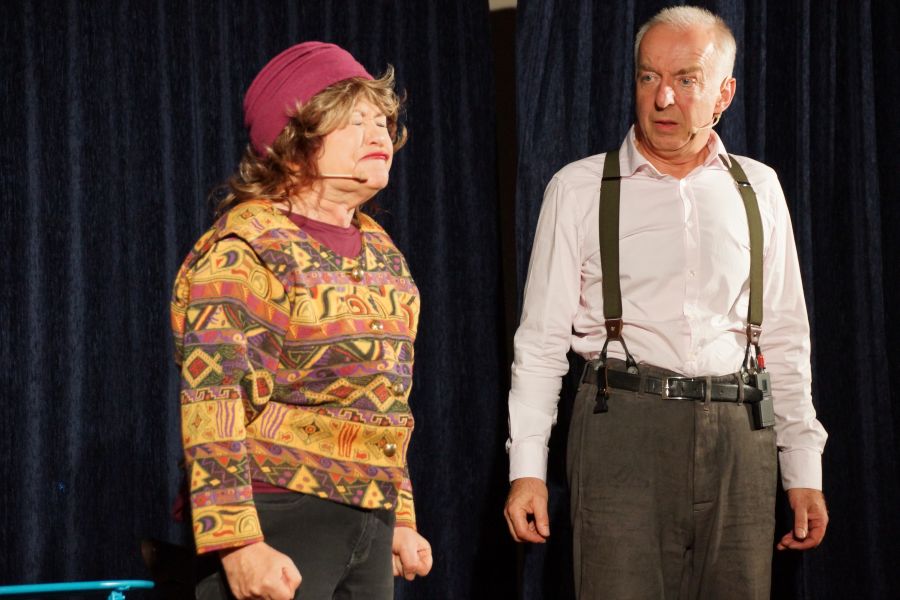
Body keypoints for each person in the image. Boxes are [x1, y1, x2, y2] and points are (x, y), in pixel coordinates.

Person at [504, 6, 828, 598]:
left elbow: (786, 338)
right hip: (622, 428)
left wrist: (803, 470)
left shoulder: (758, 187)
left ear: (724, 93)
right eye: (649, 77)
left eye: (686, 79)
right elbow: (541, 341)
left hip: (739, 434)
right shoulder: (579, 188)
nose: (663, 98)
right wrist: (527, 470)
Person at [171, 42, 432, 600]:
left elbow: (384, 399)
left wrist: (401, 515)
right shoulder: (246, 249)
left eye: (381, 121)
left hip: (369, 517)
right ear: (293, 147)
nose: (378, 134)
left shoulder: (382, 252)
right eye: (353, 121)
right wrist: (238, 544)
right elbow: (213, 398)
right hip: (277, 514)